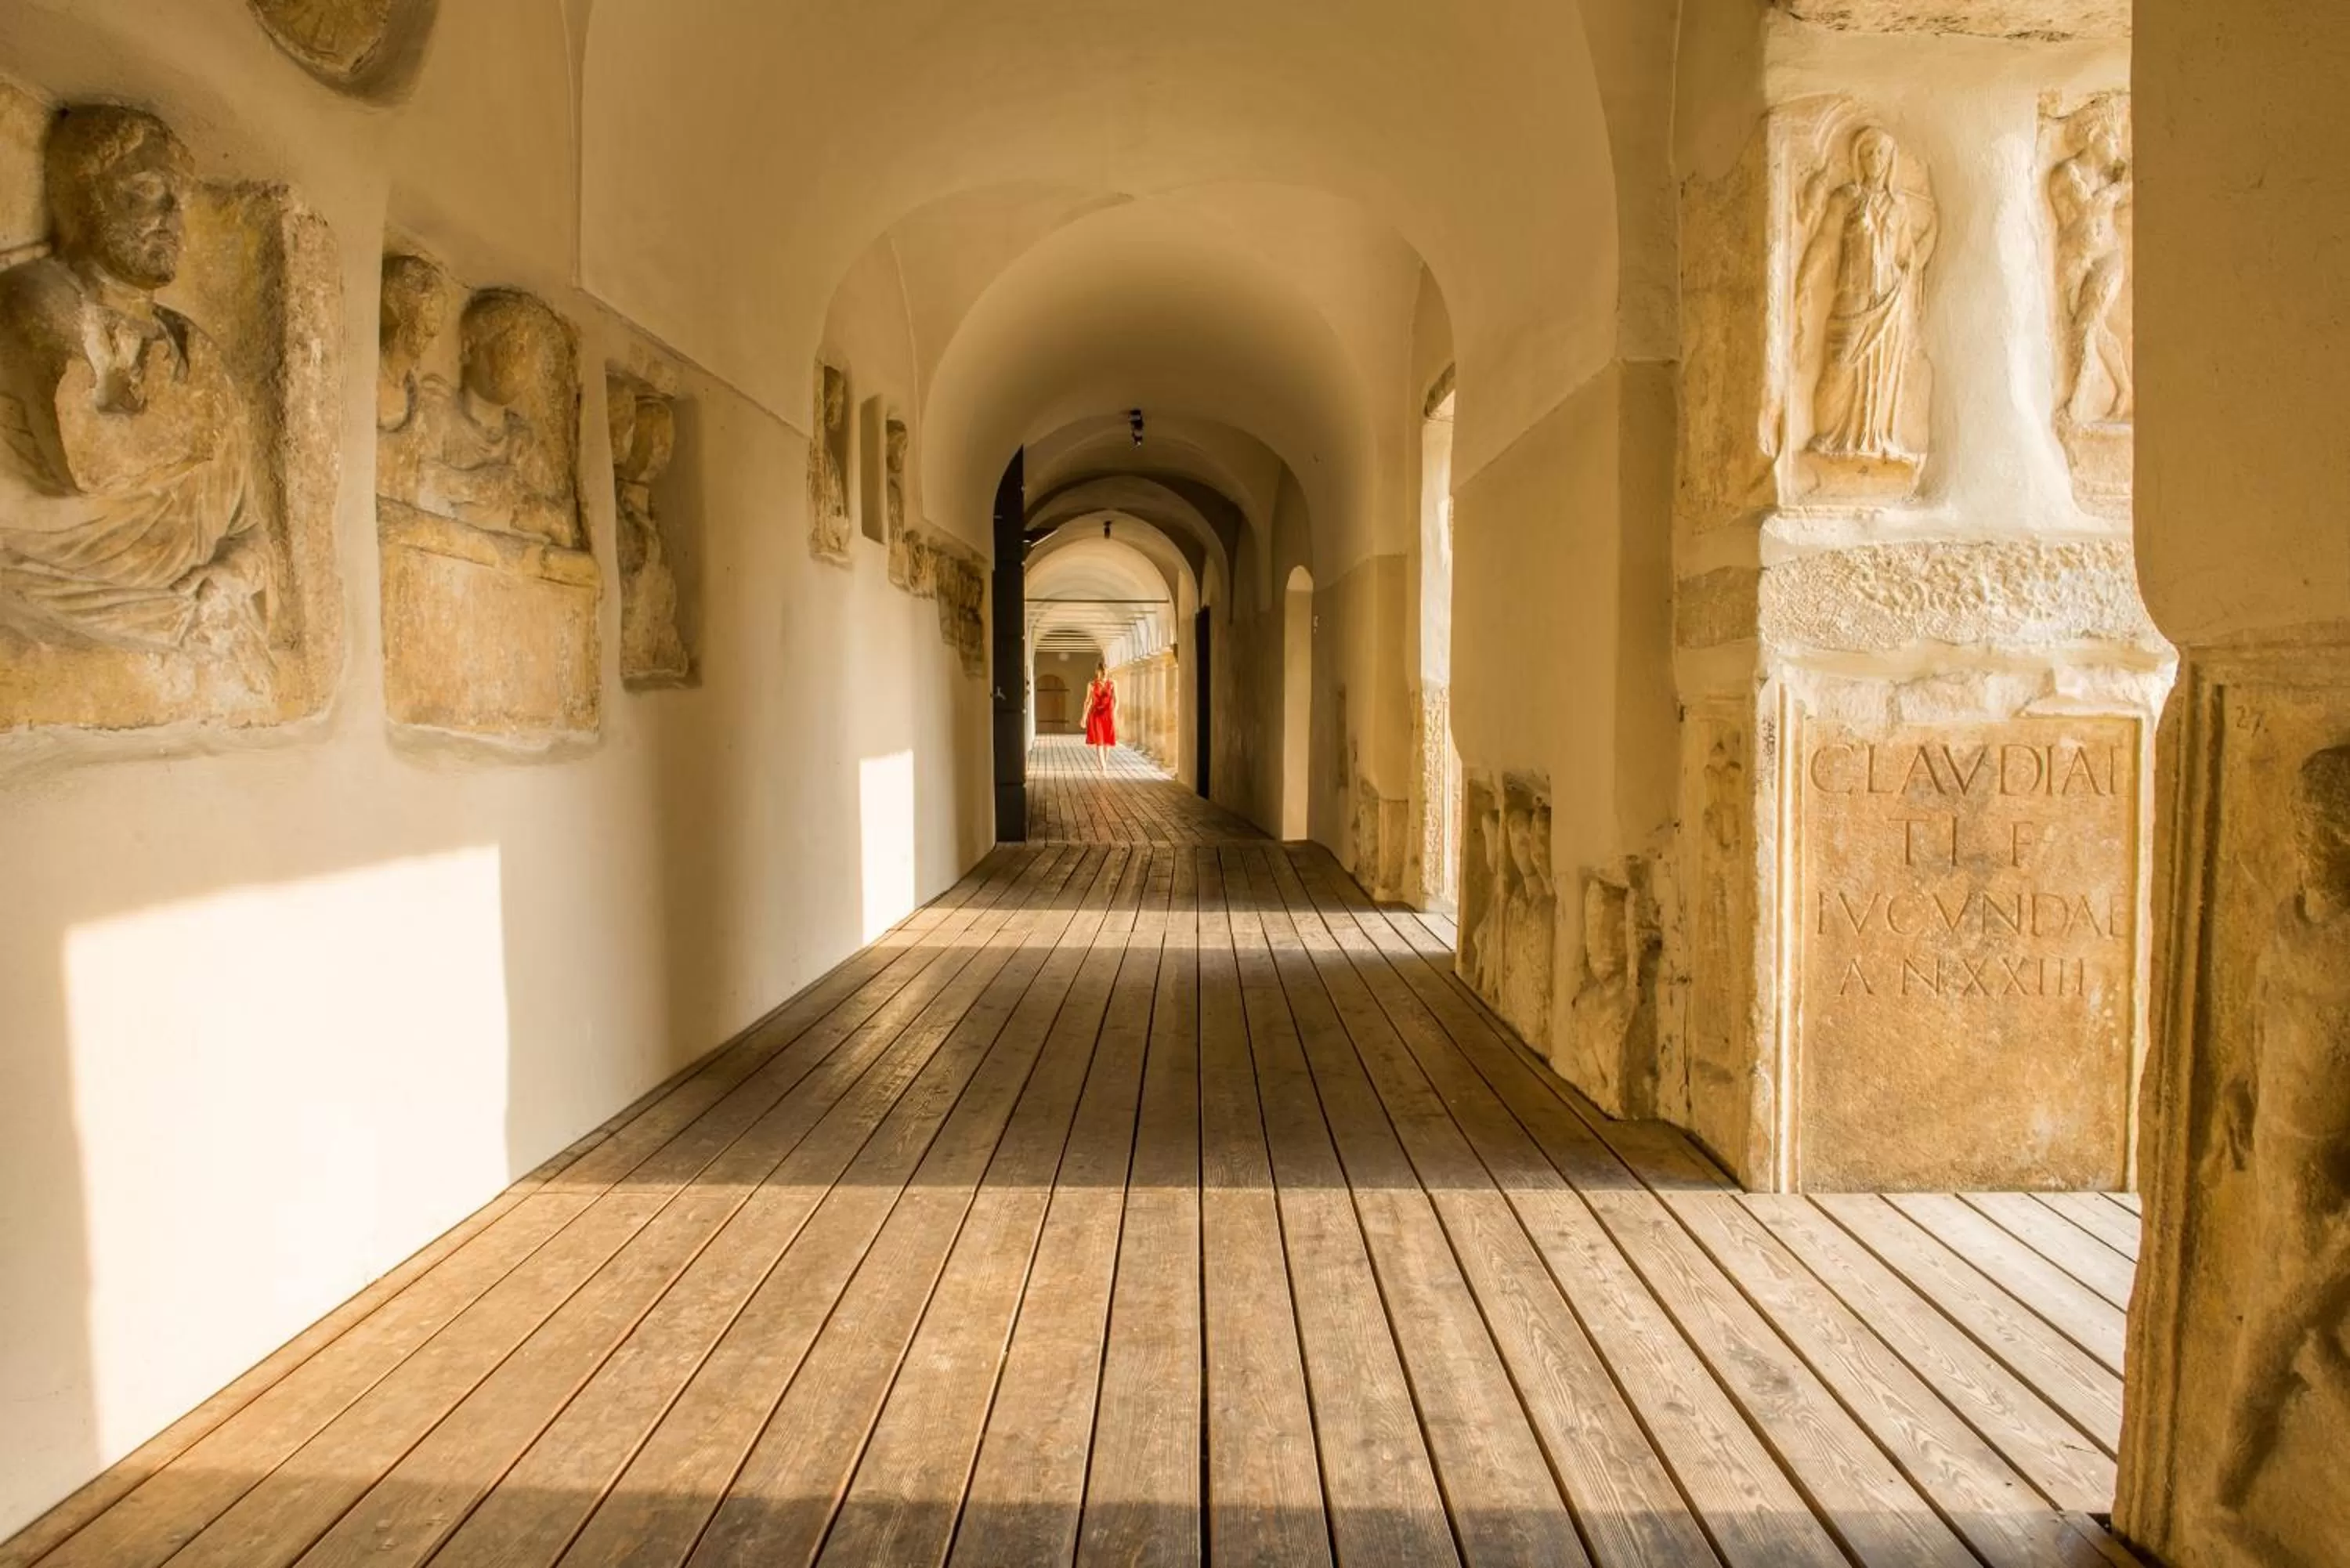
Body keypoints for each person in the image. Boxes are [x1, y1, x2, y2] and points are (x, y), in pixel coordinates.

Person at [0, 103, 269, 683]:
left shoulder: (199, 351)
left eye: (182, 198)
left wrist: (231, 575)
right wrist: (188, 419)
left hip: (195, 618)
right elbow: (92, 462)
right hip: (60, 606)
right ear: (81, 196)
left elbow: (248, 529)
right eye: (147, 190)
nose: (174, 215)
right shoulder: (35, 299)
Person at [1083, 662, 1117, 774]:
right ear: (1097, 672)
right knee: (1100, 742)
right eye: (1101, 671)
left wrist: (1114, 713)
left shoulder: (1113, 683)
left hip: (1108, 715)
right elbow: (1088, 702)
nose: (1103, 673)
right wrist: (1083, 717)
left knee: (1107, 743)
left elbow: (1117, 701)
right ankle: (1104, 768)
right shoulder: (1091, 684)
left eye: (1105, 671)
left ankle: (1104, 763)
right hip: (1096, 715)